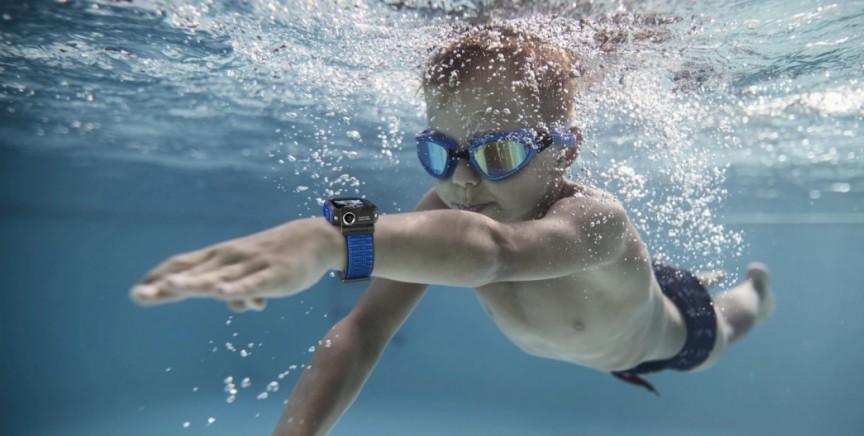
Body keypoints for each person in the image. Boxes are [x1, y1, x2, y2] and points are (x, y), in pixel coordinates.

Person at [130, 25, 775, 435]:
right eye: (442, 152)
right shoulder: (452, 201)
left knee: (731, 321)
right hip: (608, 300)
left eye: (499, 152)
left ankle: (753, 291)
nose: (464, 182)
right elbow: (361, 329)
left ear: (565, 150)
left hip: (666, 335)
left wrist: (330, 237)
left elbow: (496, 252)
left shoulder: (595, 219)